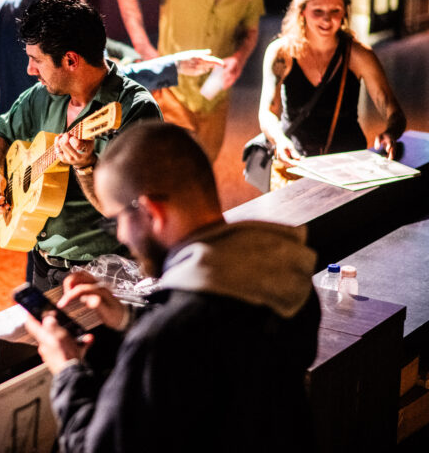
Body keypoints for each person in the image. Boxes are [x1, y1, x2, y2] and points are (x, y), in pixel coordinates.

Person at [25, 121, 321, 451]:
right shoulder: (285, 275)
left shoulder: (163, 338)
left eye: (116, 220)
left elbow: (98, 446)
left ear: (152, 211)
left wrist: (67, 369)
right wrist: (129, 318)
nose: (120, 235)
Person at [0, 0, 162, 291]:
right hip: (42, 264)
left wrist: (86, 167)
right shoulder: (42, 96)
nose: (29, 70)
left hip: (103, 274)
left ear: (70, 60)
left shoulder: (134, 109)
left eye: (36, 60)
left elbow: (128, 213)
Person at [0, 0, 218, 117]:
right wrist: (175, 65)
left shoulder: (5, 2)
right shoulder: (69, 16)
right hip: (55, 141)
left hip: (14, 136)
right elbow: (104, 81)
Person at [258, 0, 407, 190]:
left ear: (345, 12)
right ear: (302, 11)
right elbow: (268, 112)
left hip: (348, 168)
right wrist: (280, 140)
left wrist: (390, 133)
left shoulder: (358, 55)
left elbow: (392, 110)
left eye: (335, 11)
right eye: (318, 11)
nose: (327, 20)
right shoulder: (283, 53)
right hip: (296, 165)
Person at [116, 0, 264, 161]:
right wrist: (145, 49)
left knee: (203, 165)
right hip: (173, 92)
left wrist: (239, 58)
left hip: (215, 94)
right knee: (166, 166)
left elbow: (251, 31)